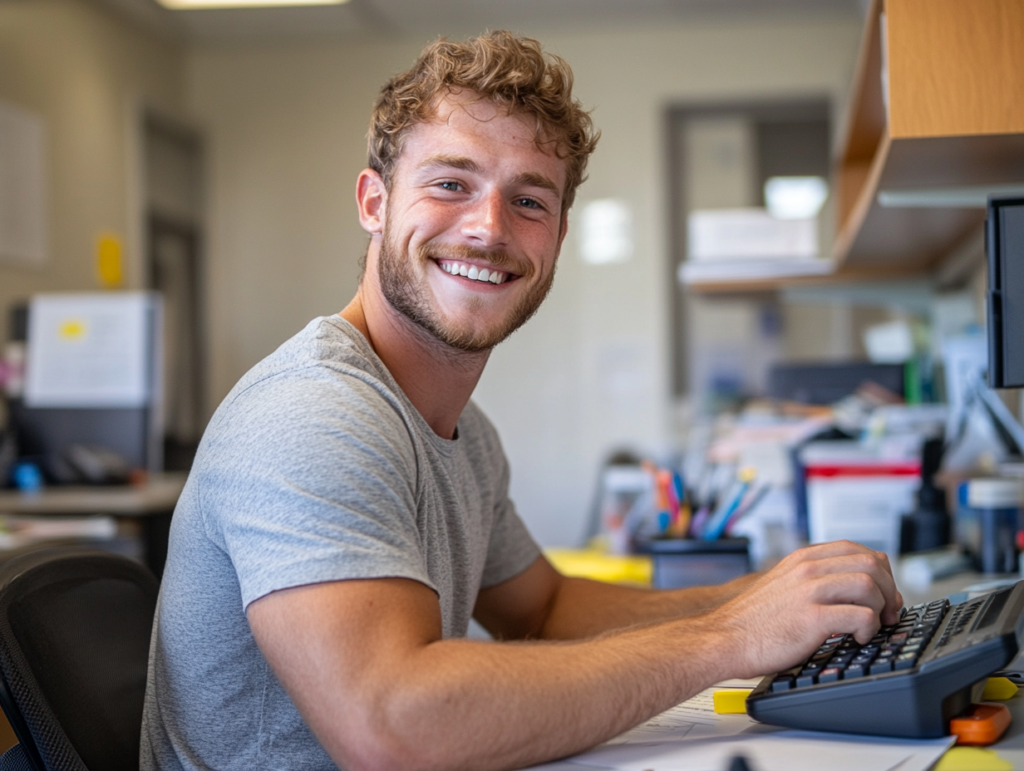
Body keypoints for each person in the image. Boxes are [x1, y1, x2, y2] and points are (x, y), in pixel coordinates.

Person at [140, 30, 903, 771]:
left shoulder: (464, 433)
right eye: (450, 183)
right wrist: (733, 636)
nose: (488, 228)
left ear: (559, 236)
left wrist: (756, 597)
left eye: (529, 201)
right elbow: (394, 728)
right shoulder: (311, 414)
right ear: (374, 201)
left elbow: (543, 611)